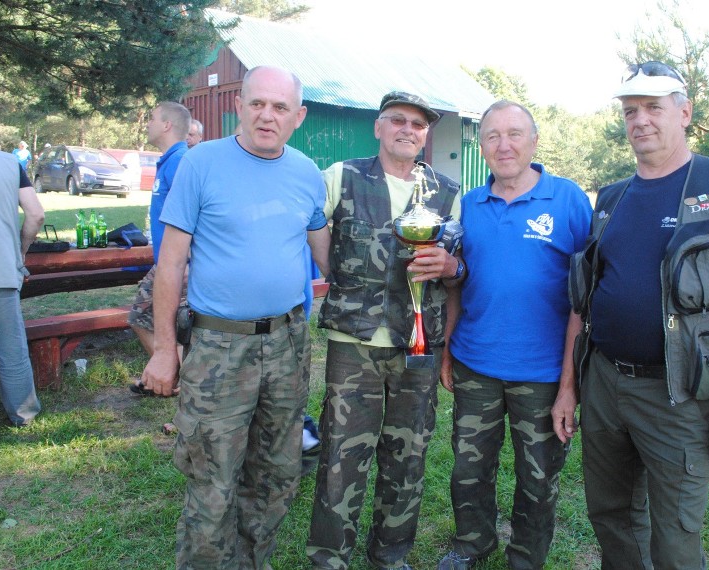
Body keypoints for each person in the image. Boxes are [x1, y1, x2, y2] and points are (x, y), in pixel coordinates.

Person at [553, 61, 709, 569]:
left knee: (676, 538)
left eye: (654, 107)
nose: (641, 120)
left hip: (678, 396)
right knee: (610, 517)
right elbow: (583, 301)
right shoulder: (611, 198)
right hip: (605, 384)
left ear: (685, 111)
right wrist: (571, 387)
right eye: (631, 110)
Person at [139, 66, 330, 569]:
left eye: (280, 107)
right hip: (218, 348)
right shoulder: (200, 165)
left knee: (276, 471)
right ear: (239, 106)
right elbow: (171, 264)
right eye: (257, 104)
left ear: (298, 117)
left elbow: (329, 258)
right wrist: (163, 349)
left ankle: (252, 561)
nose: (267, 115)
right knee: (212, 476)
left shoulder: (308, 174)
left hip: (288, 345)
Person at [307, 91, 462, 570]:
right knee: (340, 457)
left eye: (418, 124)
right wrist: (335, 269)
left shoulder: (449, 193)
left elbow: (460, 269)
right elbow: (315, 228)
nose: (408, 130)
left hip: (419, 345)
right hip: (355, 344)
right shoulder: (344, 176)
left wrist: (449, 266)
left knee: (408, 457)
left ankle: (391, 557)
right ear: (378, 127)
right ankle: (329, 559)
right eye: (398, 120)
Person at [436, 100, 592, 570]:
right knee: (467, 470)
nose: (503, 145)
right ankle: (472, 543)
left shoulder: (568, 201)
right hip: (475, 365)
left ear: (535, 141)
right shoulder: (469, 206)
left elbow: (584, 302)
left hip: (543, 375)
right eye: (492, 136)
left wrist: (570, 385)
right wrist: (446, 351)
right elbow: (458, 283)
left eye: (515, 134)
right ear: (480, 144)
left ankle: (525, 558)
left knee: (538, 477)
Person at [0, 107, 44, 449]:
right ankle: (25, 416)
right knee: (11, 346)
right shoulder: (9, 163)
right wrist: (20, 249)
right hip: (2, 266)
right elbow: (35, 214)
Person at [128, 102, 191, 380]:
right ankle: (171, 377)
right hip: (165, 263)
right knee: (142, 317)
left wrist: (187, 260)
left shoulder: (179, 161)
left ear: (167, 125)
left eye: (152, 118)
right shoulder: (169, 159)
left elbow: (194, 210)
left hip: (178, 262)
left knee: (144, 317)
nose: (148, 123)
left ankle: (176, 380)